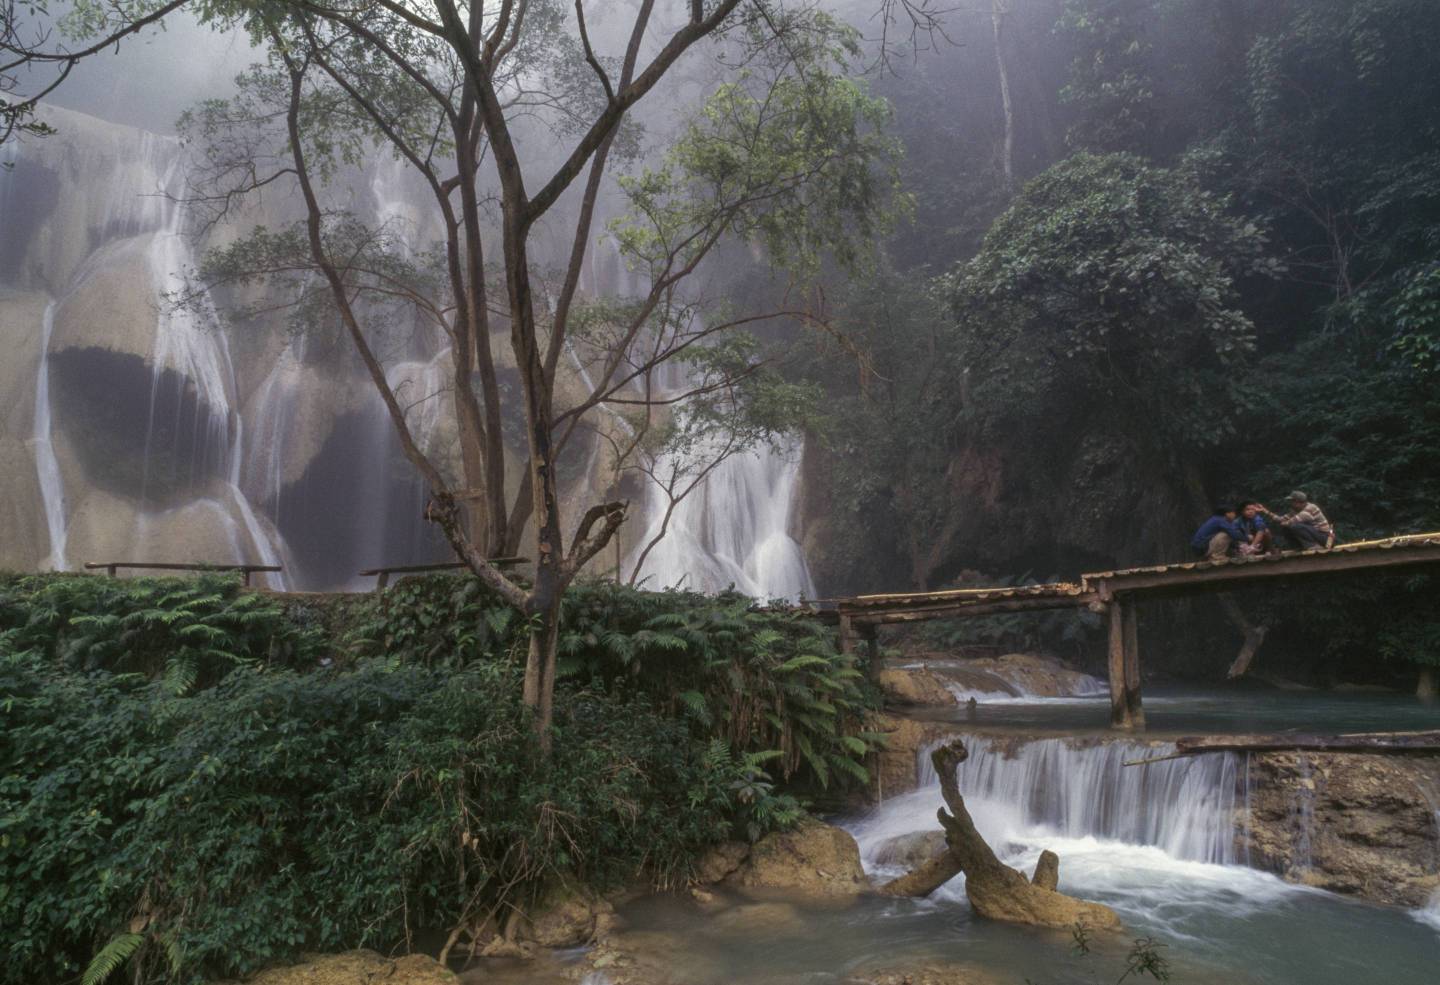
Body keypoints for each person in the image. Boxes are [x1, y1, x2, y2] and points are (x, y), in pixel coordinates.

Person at [1259, 491, 1334, 551]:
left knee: (1296, 526)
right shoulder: (1295, 510)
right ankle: (1298, 547)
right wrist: (1265, 511)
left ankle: (1313, 546)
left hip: (1326, 538)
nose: (1290, 503)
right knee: (1287, 528)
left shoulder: (1310, 508)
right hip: (1316, 535)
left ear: (1297, 502)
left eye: (1292, 501)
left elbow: (1291, 522)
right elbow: (1281, 519)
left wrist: (1285, 523)